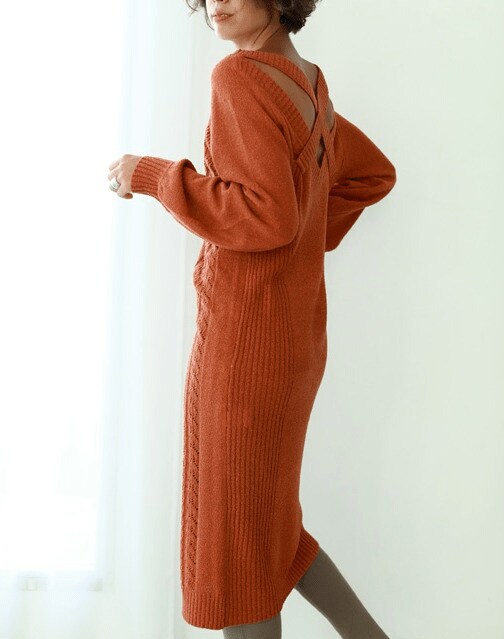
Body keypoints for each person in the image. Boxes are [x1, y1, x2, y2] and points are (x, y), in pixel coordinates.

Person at [107, 1, 397, 637]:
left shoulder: (239, 77)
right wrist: (307, 235)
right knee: (270, 529)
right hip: (295, 344)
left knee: (237, 550)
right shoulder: (308, 84)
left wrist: (151, 176)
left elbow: (267, 215)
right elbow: (370, 176)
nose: (217, 1)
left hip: (245, 348)